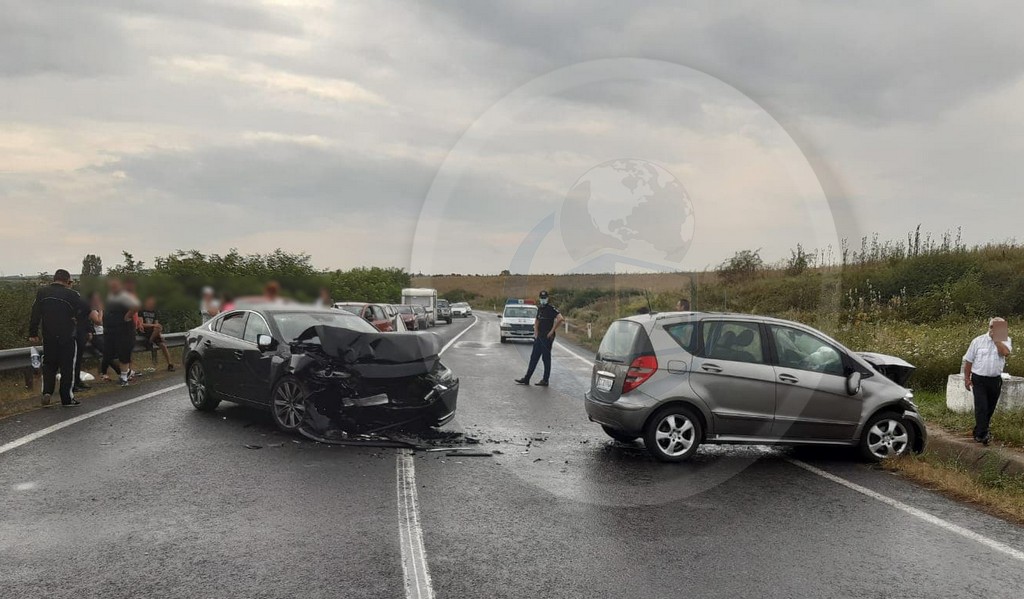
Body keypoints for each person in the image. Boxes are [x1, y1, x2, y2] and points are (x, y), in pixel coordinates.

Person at [27, 269, 86, 406]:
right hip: (67, 335)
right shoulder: (72, 294)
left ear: (54, 278)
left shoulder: (43, 292)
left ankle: (47, 392)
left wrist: (33, 333)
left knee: (49, 365)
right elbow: (86, 309)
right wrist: (78, 320)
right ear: (67, 280)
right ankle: (66, 398)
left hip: (49, 335)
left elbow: (35, 312)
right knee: (67, 367)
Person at [963, 317, 1013, 445]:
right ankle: (983, 435)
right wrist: (967, 379)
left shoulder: (1005, 340)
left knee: (990, 408)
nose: (993, 330)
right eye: (992, 327)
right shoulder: (978, 341)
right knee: (982, 407)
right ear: (989, 327)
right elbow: (968, 361)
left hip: (995, 380)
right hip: (979, 379)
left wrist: (997, 340)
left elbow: (1005, 353)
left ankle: (979, 431)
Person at [515, 290, 564, 387]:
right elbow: (537, 320)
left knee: (546, 359)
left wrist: (552, 331)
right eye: (541, 298)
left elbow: (561, 319)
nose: (543, 300)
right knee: (534, 358)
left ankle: (545, 380)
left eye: (544, 298)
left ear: (547, 298)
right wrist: (536, 332)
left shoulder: (551, 309)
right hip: (539, 337)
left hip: (547, 337)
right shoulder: (540, 308)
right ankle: (527, 378)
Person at [103, 278, 136, 387]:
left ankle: (123, 377)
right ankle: (126, 374)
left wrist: (128, 316)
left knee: (123, 352)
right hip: (110, 329)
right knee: (109, 353)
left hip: (123, 329)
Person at [73, 287, 99, 392]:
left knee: (78, 360)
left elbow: (86, 319)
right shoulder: (81, 304)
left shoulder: (86, 306)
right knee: (74, 360)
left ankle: (77, 381)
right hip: (75, 334)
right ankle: (74, 383)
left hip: (82, 334)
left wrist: (89, 330)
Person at [138, 296, 175, 371]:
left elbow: (157, 325)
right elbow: (141, 324)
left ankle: (170, 364)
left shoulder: (154, 312)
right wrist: (154, 326)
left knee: (163, 345)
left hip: (153, 332)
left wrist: (159, 335)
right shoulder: (141, 311)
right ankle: (150, 341)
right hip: (144, 331)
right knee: (158, 327)